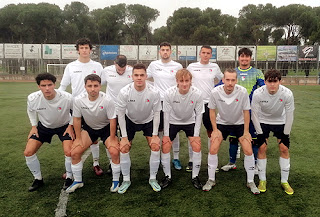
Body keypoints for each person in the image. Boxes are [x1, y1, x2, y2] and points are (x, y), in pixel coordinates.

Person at [203, 68, 259, 194]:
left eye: (233, 80)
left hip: (239, 124)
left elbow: (246, 112)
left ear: (236, 81)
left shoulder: (242, 91)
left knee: (248, 149)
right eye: (227, 80)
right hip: (222, 123)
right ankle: (211, 180)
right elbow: (211, 110)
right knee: (213, 148)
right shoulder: (215, 92)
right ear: (223, 80)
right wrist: (215, 130)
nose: (230, 83)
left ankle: (250, 181)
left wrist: (246, 131)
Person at [59, 38, 106, 176]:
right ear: (78, 50)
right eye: (82, 48)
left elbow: (104, 85)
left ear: (90, 50)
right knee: (74, 136)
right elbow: (63, 86)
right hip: (76, 107)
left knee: (94, 137)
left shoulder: (97, 66)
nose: (84, 50)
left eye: (86, 47)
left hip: (94, 106)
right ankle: (71, 169)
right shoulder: (71, 66)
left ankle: (96, 164)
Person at [66, 74, 119, 193]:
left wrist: (112, 138)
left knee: (114, 151)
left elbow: (112, 120)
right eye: (89, 86)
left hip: (106, 128)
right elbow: (77, 119)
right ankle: (78, 181)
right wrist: (78, 138)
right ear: (85, 86)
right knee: (74, 152)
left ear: (100, 86)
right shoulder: (79, 100)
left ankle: (116, 181)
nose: (93, 89)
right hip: (89, 129)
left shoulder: (108, 100)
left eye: (96, 85)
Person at [24, 73, 74, 191]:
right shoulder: (33, 98)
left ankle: (69, 177)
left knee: (69, 152)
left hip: (64, 126)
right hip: (44, 127)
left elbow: (76, 111)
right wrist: (34, 126)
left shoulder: (67, 97)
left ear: (54, 85)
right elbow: (31, 111)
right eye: (43, 85)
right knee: (28, 152)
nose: (47, 88)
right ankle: (38, 179)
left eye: (50, 85)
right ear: (39, 86)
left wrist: (71, 125)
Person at [117, 63, 161, 194]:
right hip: (130, 120)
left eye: (142, 75)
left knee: (155, 146)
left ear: (146, 76)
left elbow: (157, 113)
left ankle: (153, 178)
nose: (139, 78)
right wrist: (124, 137)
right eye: (136, 75)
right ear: (132, 76)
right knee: (124, 147)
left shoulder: (154, 92)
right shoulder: (124, 92)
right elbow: (120, 114)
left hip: (148, 120)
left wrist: (154, 135)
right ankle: (126, 180)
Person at [221, 47, 265, 172]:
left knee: (254, 139)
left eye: (247, 56)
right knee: (233, 137)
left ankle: (255, 165)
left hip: (252, 111)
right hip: (235, 110)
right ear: (239, 58)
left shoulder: (257, 72)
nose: (244, 59)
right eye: (242, 56)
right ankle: (232, 162)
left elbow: (263, 88)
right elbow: (221, 84)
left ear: (250, 58)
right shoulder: (233, 72)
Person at [251, 69, 295, 195]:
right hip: (263, 120)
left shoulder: (287, 94)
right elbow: (254, 114)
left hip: (280, 121)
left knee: (284, 149)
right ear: (265, 82)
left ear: (280, 81)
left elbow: (290, 115)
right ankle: (262, 180)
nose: (272, 85)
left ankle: (284, 181)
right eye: (269, 82)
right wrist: (259, 133)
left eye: (275, 81)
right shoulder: (258, 93)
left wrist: (286, 134)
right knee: (262, 148)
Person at [160, 69, 204, 189]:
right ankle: (167, 176)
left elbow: (199, 114)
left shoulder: (197, 94)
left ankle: (195, 176)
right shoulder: (169, 93)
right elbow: (166, 114)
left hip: (190, 121)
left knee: (196, 145)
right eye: (181, 81)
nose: (184, 84)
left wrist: (195, 136)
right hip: (173, 121)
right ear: (177, 81)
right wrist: (166, 135)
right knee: (165, 145)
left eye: (187, 81)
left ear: (191, 81)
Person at [147, 42, 184, 170]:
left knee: (174, 129)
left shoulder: (177, 65)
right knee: (160, 130)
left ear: (171, 52)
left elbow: (181, 81)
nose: (165, 52)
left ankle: (176, 158)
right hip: (158, 101)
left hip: (174, 101)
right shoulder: (153, 65)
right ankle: (163, 156)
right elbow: (145, 77)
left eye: (167, 50)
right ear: (159, 52)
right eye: (163, 50)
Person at [186, 45, 223, 172]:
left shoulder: (215, 67)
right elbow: (185, 79)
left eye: (208, 53)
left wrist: (215, 90)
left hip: (209, 103)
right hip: (193, 102)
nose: (206, 55)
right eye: (203, 53)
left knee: (210, 131)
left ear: (211, 55)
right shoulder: (191, 67)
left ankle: (211, 159)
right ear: (199, 54)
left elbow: (222, 79)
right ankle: (191, 160)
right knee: (192, 132)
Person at [102, 55, 133, 173]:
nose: (121, 72)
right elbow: (99, 84)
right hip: (111, 110)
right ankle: (112, 162)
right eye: (119, 69)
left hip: (127, 109)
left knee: (127, 136)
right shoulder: (106, 71)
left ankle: (125, 160)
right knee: (111, 136)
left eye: (123, 69)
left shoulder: (131, 70)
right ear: (114, 63)